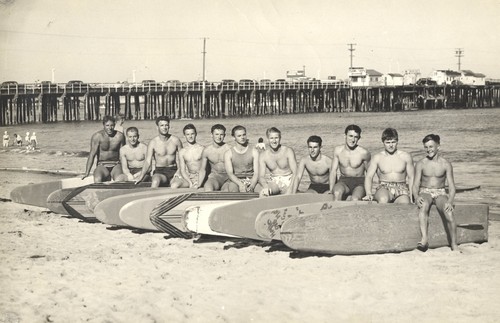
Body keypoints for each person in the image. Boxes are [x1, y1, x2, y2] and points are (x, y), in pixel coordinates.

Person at [413, 134, 457, 251]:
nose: (429, 150)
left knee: (449, 213)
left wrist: (450, 201)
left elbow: (452, 187)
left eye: (431, 146)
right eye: (426, 147)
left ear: (438, 146)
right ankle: (424, 239)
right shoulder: (421, 163)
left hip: (440, 192)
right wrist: (416, 196)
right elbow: (415, 185)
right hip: (425, 191)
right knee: (423, 206)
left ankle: (454, 244)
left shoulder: (446, 164)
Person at [364, 128, 414, 203]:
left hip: (402, 187)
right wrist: (368, 193)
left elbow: (411, 177)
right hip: (384, 187)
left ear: (397, 141)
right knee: (383, 199)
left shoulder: (405, 156)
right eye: (388, 142)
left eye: (393, 142)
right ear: (383, 142)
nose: (391, 145)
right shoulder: (378, 157)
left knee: (405, 203)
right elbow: (369, 176)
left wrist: (412, 196)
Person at [135, 116, 183, 187]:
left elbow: (183, 159)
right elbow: (148, 161)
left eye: (166, 125)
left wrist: (179, 171)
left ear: (169, 126)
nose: (164, 127)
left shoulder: (176, 140)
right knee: (155, 181)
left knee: (175, 185)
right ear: (157, 127)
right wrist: (141, 176)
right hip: (160, 172)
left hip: (173, 171)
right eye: (162, 125)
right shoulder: (153, 143)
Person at [330, 125, 371, 200]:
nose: (353, 139)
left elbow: (369, 174)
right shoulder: (338, 151)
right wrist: (331, 190)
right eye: (350, 136)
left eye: (356, 137)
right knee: (337, 193)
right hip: (343, 181)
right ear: (345, 135)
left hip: (359, 183)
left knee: (355, 199)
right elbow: (333, 171)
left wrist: (369, 193)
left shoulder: (364, 153)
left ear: (359, 138)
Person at [82, 115, 125, 182]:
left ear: (115, 125)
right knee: (97, 179)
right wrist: (87, 172)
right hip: (102, 165)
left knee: (119, 179)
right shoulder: (97, 136)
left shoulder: (120, 136)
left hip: (116, 164)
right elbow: (92, 155)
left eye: (112, 125)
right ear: (103, 125)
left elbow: (123, 155)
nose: (110, 128)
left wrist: (127, 170)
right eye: (107, 125)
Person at [258, 127, 297, 196]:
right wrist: (266, 187)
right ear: (267, 139)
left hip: (288, 181)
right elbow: (261, 176)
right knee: (263, 193)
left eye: (276, 138)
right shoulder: (263, 155)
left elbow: (295, 173)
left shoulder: (288, 151)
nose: (274, 141)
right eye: (271, 138)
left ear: (280, 138)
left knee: (288, 194)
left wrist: (290, 189)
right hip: (274, 181)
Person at [222, 125, 261, 192]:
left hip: (251, 179)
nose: (242, 137)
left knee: (261, 191)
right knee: (233, 190)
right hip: (236, 180)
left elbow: (256, 173)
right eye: (239, 136)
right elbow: (230, 174)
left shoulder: (254, 151)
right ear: (234, 138)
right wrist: (240, 184)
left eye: (244, 135)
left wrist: (252, 186)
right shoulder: (228, 153)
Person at [198, 124, 230, 191]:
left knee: (227, 190)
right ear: (211, 135)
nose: (219, 137)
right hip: (215, 176)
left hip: (228, 177)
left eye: (221, 134)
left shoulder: (229, 148)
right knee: (208, 188)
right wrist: (199, 185)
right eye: (216, 134)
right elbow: (202, 169)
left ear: (224, 136)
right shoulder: (207, 151)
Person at [171, 123, 205, 188]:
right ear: (184, 136)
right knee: (174, 185)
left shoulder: (202, 149)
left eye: (192, 134)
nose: (190, 136)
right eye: (188, 134)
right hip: (189, 177)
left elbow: (205, 169)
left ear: (196, 134)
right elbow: (183, 170)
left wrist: (199, 181)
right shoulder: (182, 152)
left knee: (195, 187)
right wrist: (189, 182)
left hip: (200, 177)